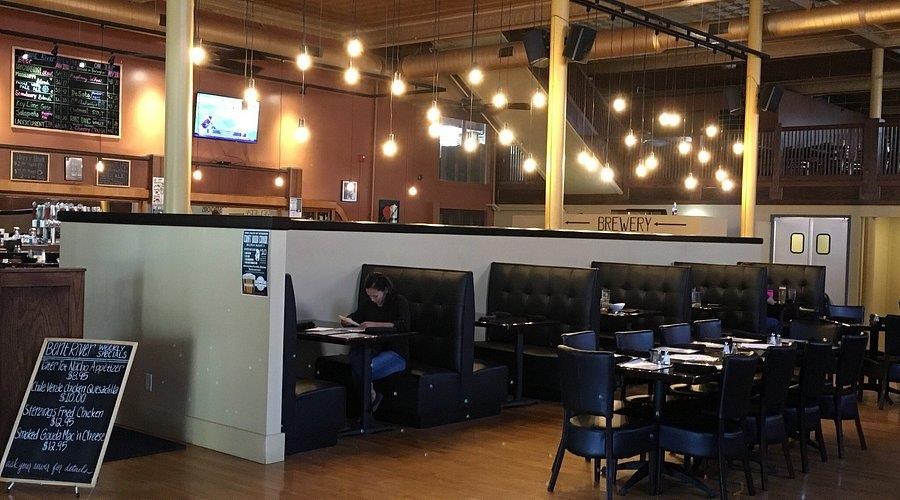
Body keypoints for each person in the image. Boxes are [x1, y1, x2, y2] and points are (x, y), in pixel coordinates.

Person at [341, 272, 410, 411]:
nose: (372, 300)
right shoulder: (369, 304)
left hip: (395, 352)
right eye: (369, 296)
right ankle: (370, 402)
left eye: (375, 296)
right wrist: (348, 320)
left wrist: (374, 324)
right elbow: (357, 316)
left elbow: (403, 325)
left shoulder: (399, 301)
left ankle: (369, 405)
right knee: (357, 363)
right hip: (373, 349)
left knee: (363, 369)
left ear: (385, 290)